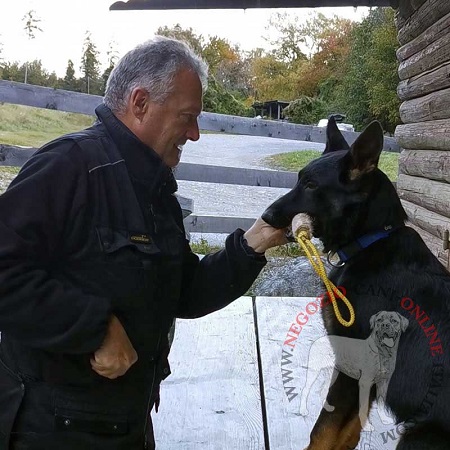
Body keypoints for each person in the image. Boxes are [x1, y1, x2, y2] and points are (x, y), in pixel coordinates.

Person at [0, 36, 288, 450]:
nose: (195, 133)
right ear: (139, 103)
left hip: (126, 426)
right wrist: (93, 328)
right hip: (51, 430)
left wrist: (254, 243)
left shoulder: (153, 188)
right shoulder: (70, 166)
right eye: (188, 117)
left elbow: (183, 291)